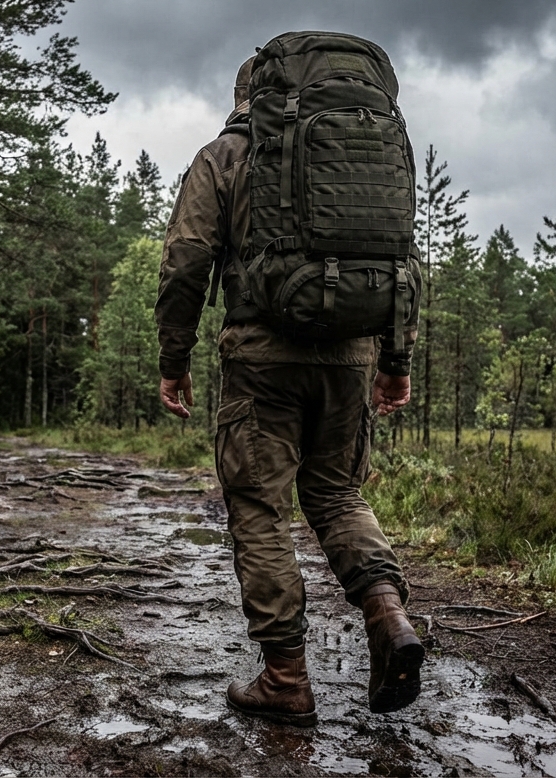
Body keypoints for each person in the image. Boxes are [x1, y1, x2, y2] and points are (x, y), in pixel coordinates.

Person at [154, 55, 424, 727]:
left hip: (260, 356)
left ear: (247, 94)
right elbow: (400, 257)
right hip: (351, 356)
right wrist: (396, 358)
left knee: (259, 509)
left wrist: (174, 356)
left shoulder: (223, 155)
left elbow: (186, 259)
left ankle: (285, 679)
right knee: (336, 493)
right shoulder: (365, 152)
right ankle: (388, 615)